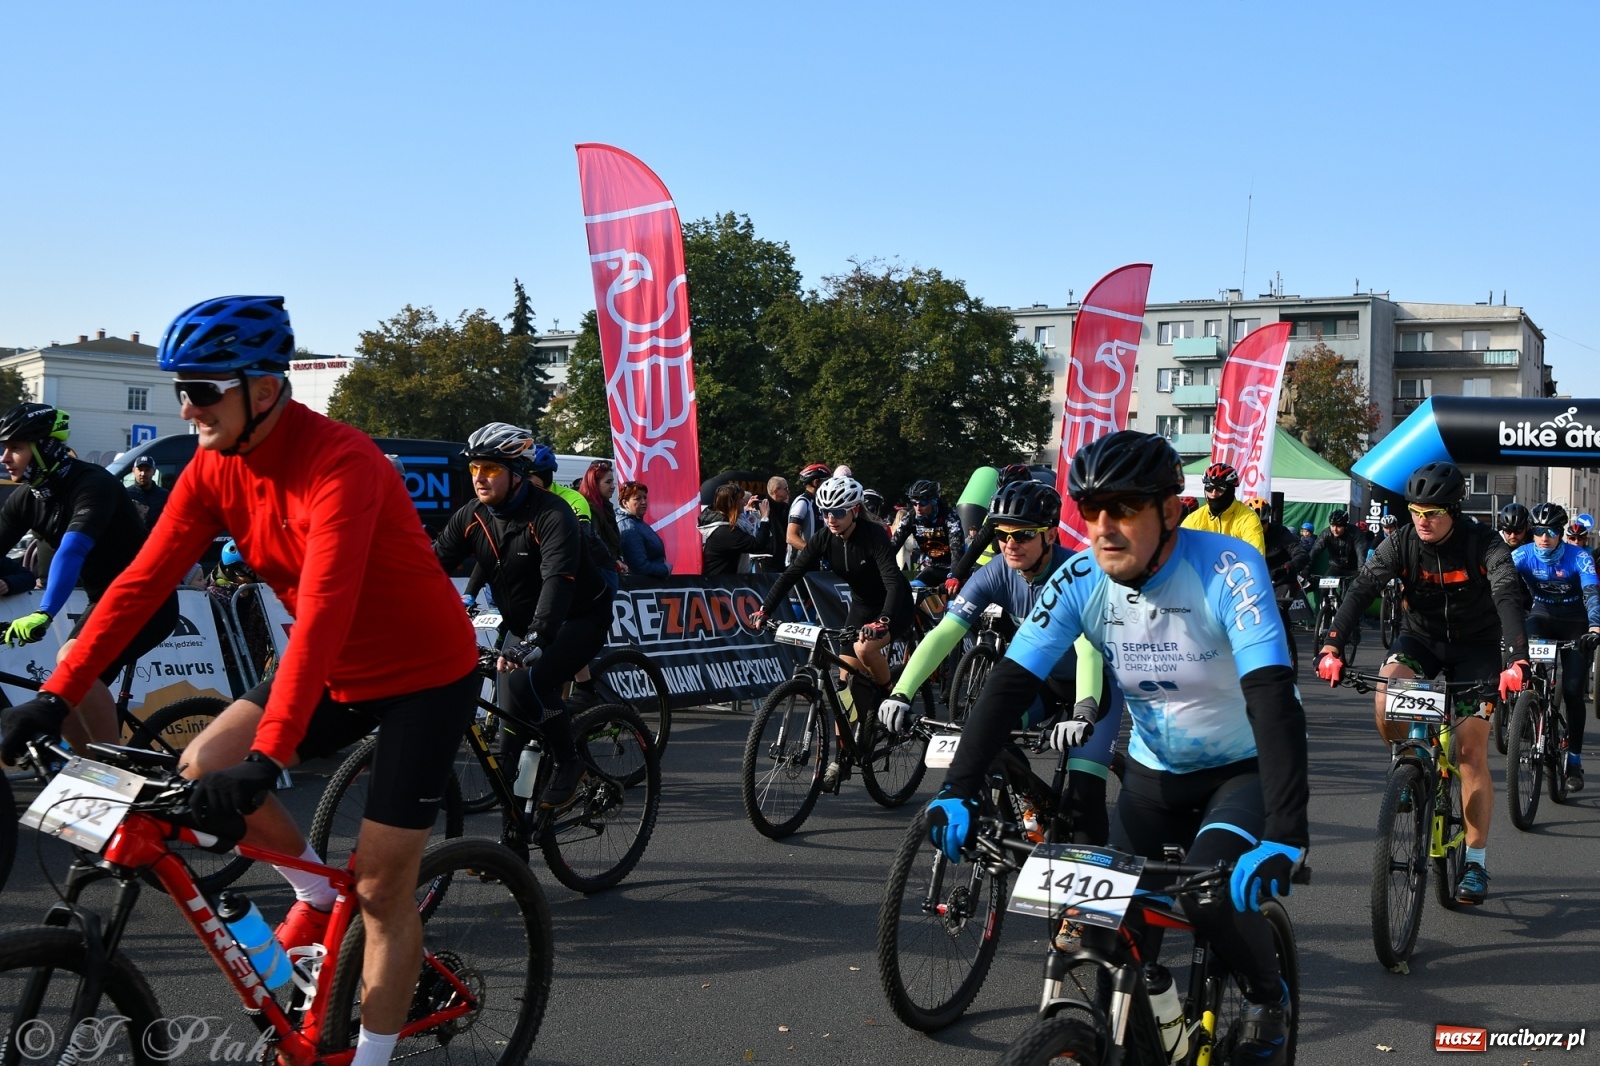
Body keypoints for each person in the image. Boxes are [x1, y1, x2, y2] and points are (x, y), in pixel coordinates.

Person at [0, 295, 481, 1066]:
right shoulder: (213, 468)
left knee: (383, 891)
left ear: (265, 387)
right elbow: (137, 586)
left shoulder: (343, 463)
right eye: (179, 390)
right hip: (328, 665)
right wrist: (55, 695)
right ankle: (311, 895)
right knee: (201, 765)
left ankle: (372, 1056)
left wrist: (273, 757)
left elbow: (323, 612)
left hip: (424, 673)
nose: (186, 406)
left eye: (202, 389)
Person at [924, 431, 1306, 1063]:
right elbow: (1007, 685)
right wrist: (956, 790)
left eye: (1125, 508)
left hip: (1242, 772)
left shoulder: (1230, 569)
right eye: (1091, 510)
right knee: (1110, 943)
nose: (1104, 527)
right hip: (1155, 779)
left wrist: (1287, 830)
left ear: (1171, 511)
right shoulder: (1080, 578)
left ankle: (1269, 996)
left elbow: (1271, 695)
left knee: (1206, 894)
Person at [1316, 461, 1528, 906]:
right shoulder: (1401, 543)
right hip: (1422, 640)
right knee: (1386, 693)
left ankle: (1475, 861)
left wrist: (1518, 661)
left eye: (1432, 512)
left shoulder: (1484, 543)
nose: (1422, 520)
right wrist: (1332, 646)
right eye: (1416, 511)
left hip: (1478, 647)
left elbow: (1507, 594)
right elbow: (1362, 589)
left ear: (1453, 509)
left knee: (1470, 751)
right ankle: (1410, 765)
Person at [878, 480, 1123, 848]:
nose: (1010, 545)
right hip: (1041, 681)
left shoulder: (1076, 574)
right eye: (1001, 535)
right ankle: (1030, 806)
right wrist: (901, 692)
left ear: (1051, 536)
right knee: (988, 734)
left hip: (1094, 686)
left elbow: (1088, 650)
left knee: (1085, 798)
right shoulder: (995, 571)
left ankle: (1080, 894)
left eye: (1023, 535)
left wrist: (1084, 711)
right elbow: (944, 634)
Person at [433, 421, 614, 814]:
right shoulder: (473, 515)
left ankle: (569, 761)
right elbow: (428, 566)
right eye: (475, 468)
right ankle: (514, 838)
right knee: (509, 742)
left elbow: (558, 582)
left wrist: (536, 638)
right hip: (522, 623)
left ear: (517, 475)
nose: (479, 478)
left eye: (491, 469)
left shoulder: (553, 514)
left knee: (531, 683)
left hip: (577, 617)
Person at [0, 402, 181, 751]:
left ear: (46, 447)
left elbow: (72, 551)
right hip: (107, 601)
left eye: (16, 447)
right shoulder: (27, 498)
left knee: (71, 660)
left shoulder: (93, 484)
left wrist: (45, 612)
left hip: (148, 598)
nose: (5, 457)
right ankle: (85, 768)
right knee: (56, 697)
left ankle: (114, 769)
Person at [755, 476, 911, 789]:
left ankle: (890, 695)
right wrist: (766, 609)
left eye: (838, 512)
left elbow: (893, 582)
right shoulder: (825, 537)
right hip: (862, 607)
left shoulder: (874, 535)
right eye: (825, 512)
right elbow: (793, 573)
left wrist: (883, 620)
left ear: (855, 510)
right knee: (842, 689)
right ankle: (842, 757)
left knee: (867, 650)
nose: (831, 518)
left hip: (893, 605)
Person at [1511, 502, 1600, 792]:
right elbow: (1499, 587)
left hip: (1576, 620)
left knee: (1573, 690)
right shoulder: (1522, 555)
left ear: (1560, 533)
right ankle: (1531, 706)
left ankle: (1573, 760)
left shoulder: (1579, 557)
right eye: (1538, 531)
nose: (1544, 537)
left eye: (1550, 531)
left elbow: (1591, 590)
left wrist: (1595, 626)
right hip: (1542, 616)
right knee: (1527, 663)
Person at [945, 463, 1038, 591]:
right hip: (987, 568)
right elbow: (978, 544)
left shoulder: (1037, 512)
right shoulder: (997, 511)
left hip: (1021, 571)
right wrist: (956, 575)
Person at [891, 478, 966, 586]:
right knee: (913, 591)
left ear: (934, 501)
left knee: (952, 600)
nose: (918, 508)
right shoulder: (910, 518)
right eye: (914, 503)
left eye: (923, 503)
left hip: (953, 568)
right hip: (932, 568)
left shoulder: (949, 516)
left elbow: (957, 549)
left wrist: (954, 576)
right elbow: (893, 545)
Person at [1181, 463, 1266, 554]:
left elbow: (1256, 556)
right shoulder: (1195, 519)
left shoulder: (1247, 518)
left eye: (1220, 487)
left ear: (1230, 490)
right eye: (1209, 487)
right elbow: (1179, 553)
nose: (1213, 493)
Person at [700, 483, 771, 576]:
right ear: (732, 502)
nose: (744, 503)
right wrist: (765, 517)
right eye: (741, 499)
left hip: (726, 582)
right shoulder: (724, 531)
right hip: (718, 583)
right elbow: (757, 544)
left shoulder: (731, 524)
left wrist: (754, 515)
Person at [579, 459, 625, 588]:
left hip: (607, 570)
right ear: (594, 484)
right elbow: (594, 544)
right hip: (599, 572)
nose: (613, 486)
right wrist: (613, 562)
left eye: (613, 482)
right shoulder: (589, 509)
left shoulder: (605, 507)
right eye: (608, 482)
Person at [617, 480, 671, 577]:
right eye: (638, 499)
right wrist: (665, 569)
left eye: (645, 498)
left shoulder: (636, 522)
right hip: (643, 586)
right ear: (625, 503)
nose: (644, 502)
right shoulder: (630, 528)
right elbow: (639, 567)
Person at [786, 462, 831, 564]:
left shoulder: (820, 503)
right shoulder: (803, 502)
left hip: (815, 562)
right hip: (800, 562)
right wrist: (814, 552)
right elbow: (790, 537)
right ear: (816, 482)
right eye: (826, 482)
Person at [126, 455, 170, 531]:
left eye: (147, 470)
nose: (143, 474)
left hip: (157, 539)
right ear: (133, 471)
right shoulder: (127, 495)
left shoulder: (164, 496)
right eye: (140, 470)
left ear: (154, 472)